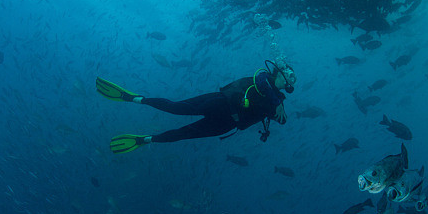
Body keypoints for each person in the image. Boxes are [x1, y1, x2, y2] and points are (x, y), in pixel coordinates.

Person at [96, 60, 296, 153]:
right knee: (176, 107)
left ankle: (145, 140)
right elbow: (262, 82)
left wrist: (278, 104)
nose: (291, 79)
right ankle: (134, 98)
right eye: (289, 74)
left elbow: (283, 121)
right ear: (279, 73)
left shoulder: (279, 101)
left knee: (184, 133)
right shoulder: (262, 79)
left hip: (226, 123)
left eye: (293, 78)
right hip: (219, 102)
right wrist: (276, 101)